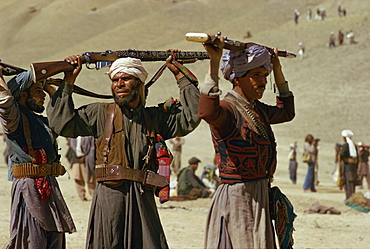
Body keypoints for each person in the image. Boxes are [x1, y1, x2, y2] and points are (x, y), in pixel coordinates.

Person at [46, 53, 201, 248]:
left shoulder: (154, 118)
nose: (119, 84)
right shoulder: (100, 113)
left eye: (125, 78)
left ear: (140, 83)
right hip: (110, 199)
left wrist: (180, 76)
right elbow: (62, 124)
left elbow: (192, 116)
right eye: (115, 80)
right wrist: (69, 81)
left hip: (143, 199)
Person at [198, 36, 295, 248]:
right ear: (237, 79)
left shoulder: (258, 109)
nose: (262, 81)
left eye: (265, 75)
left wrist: (277, 67)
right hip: (237, 198)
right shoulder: (228, 109)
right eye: (256, 75)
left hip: (259, 194)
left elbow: (287, 112)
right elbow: (206, 111)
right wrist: (214, 62)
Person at [0, 67, 76, 248]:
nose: (42, 96)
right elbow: (5, 101)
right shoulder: (15, 119)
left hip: (49, 186)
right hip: (29, 188)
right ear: (23, 96)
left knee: (55, 237)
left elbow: (63, 119)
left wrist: (56, 86)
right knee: (33, 239)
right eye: (37, 91)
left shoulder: (42, 122)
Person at [66, 136, 96, 201]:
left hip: (87, 160)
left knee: (90, 178)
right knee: (77, 178)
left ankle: (93, 195)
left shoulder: (89, 136)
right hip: (76, 160)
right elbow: (71, 147)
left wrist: (86, 157)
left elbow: (92, 148)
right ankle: (82, 196)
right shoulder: (73, 136)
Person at [339, 130, 358, 200]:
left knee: (347, 183)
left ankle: (349, 198)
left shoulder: (346, 145)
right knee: (352, 183)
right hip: (353, 168)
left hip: (347, 167)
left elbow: (342, 155)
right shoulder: (354, 146)